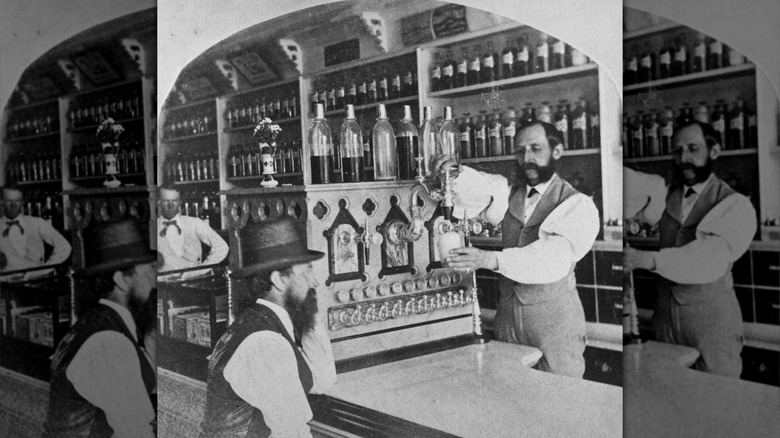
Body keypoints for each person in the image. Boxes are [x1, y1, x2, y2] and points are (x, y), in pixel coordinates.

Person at [431, 120, 599, 378]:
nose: (527, 158)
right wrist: (455, 173)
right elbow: (480, 190)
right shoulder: (509, 195)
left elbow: (550, 259)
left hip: (553, 324)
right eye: (520, 151)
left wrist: (488, 258)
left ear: (557, 152)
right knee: (510, 395)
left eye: (535, 148)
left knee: (559, 400)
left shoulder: (577, 204)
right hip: (507, 318)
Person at [624, 121, 756, 378]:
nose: (684, 158)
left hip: (711, 323)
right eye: (677, 151)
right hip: (665, 320)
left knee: (716, 400)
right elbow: (622, 182)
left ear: (713, 151)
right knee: (669, 399)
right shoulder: (663, 195)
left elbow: (708, 259)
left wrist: (646, 259)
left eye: (693, 149)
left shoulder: (735, 204)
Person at [200, 217, 336, 437]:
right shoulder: (265, 343)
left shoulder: (263, 324)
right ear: (279, 280)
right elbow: (292, 433)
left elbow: (321, 379)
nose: (315, 282)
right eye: (307, 271)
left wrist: (310, 314)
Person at [43, 219, 157, 437]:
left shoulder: (98, 323)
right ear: (122, 279)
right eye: (150, 270)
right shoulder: (109, 343)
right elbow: (135, 432)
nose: (154, 282)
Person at [157, 183, 228, 281]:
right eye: (166, 201)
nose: (170, 205)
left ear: (180, 202)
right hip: (162, 285)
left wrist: (202, 269)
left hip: (193, 282)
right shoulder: (152, 227)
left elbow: (222, 247)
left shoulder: (194, 223)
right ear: (159, 202)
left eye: (174, 200)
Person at [0, 184, 71, 281]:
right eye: (8, 201)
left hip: (37, 283)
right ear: (1, 202)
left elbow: (65, 247)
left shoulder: (37, 223)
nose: (13, 205)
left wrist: (45, 270)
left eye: (17, 201)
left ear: (23, 202)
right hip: (5, 287)